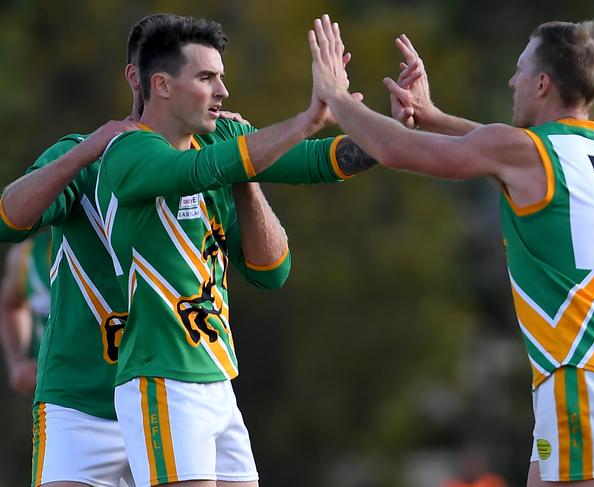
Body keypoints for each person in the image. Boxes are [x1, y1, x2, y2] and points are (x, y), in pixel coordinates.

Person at [0, 12, 374, 487]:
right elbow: (6, 222)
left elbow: (272, 269)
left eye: (220, 76)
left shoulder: (216, 150)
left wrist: (395, 134)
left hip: (188, 378)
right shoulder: (112, 157)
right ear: (146, 79)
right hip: (88, 397)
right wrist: (85, 150)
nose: (221, 91)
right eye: (206, 76)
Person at [308, 14, 594, 486]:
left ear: (543, 84)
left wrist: (337, 96)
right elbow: (503, 152)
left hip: (582, 380)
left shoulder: (530, 155)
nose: (513, 80)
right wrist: (434, 117)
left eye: (522, 69)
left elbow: (397, 150)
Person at [0, 230, 51, 395]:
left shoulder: (114, 242)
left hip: (119, 390)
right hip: (57, 398)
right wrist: (17, 362)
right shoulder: (26, 256)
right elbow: (10, 304)